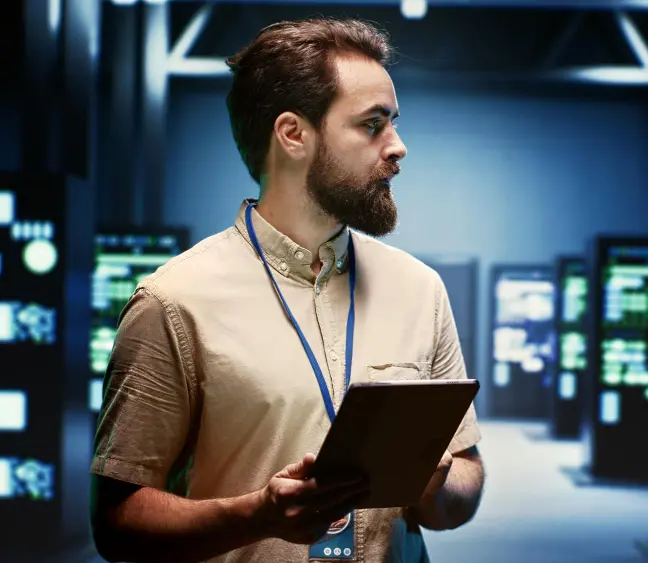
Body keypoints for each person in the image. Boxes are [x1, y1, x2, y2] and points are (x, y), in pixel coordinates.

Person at [90, 17, 485, 563]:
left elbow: (465, 477)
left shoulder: (420, 290)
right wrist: (258, 515)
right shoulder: (172, 303)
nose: (399, 147)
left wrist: (434, 485)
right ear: (293, 135)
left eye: (393, 122)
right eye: (373, 125)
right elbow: (116, 522)